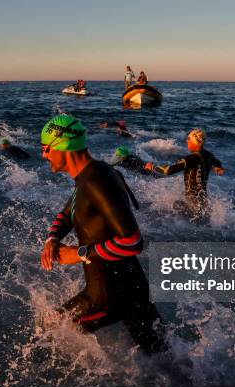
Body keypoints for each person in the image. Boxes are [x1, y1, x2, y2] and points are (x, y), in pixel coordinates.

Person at [40, 114, 166, 353]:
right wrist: (52, 238)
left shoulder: (95, 182)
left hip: (107, 298)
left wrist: (79, 253)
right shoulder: (94, 174)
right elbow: (69, 212)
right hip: (132, 286)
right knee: (164, 357)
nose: (44, 155)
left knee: (48, 331)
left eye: (46, 148)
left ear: (63, 146)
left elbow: (132, 241)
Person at [144, 128, 225, 219]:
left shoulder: (190, 158)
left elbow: (168, 171)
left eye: (189, 139)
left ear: (195, 142)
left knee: (176, 204)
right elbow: (217, 162)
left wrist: (153, 167)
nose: (187, 141)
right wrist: (219, 168)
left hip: (193, 205)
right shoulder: (209, 155)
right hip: (204, 203)